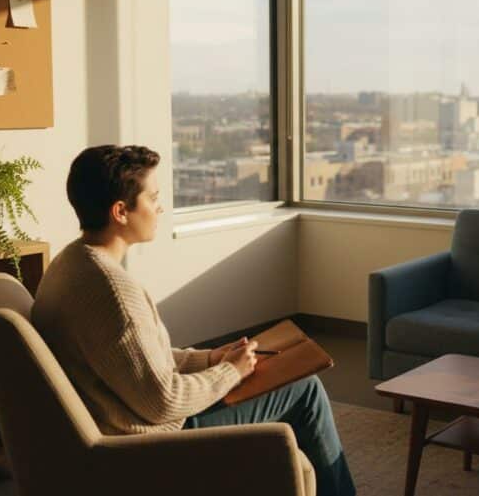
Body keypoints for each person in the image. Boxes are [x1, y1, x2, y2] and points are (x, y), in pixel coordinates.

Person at [32, 145, 355, 496]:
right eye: (152, 197)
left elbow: (136, 358)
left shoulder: (70, 264)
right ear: (121, 211)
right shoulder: (114, 292)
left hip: (125, 416)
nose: (159, 207)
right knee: (304, 390)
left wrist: (212, 358)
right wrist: (230, 372)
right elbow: (164, 403)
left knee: (273, 376)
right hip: (149, 442)